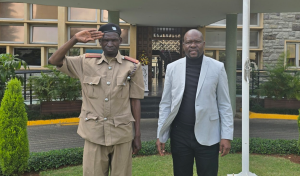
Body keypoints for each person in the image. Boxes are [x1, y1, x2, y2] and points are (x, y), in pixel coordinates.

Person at [49, 23, 145, 176]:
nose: (110, 44)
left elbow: (136, 100)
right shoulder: (85, 62)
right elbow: (54, 60)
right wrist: (74, 39)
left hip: (121, 134)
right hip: (94, 135)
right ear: (100, 42)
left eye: (114, 40)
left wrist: (137, 135)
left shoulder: (132, 66)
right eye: (106, 40)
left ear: (120, 40)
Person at [156, 29, 234, 176]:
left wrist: (226, 136)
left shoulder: (217, 68)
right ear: (183, 45)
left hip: (208, 134)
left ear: (203, 44)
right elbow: (166, 104)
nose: (193, 45)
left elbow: (224, 104)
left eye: (197, 42)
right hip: (180, 135)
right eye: (189, 42)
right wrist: (161, 134)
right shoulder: (172, 68)